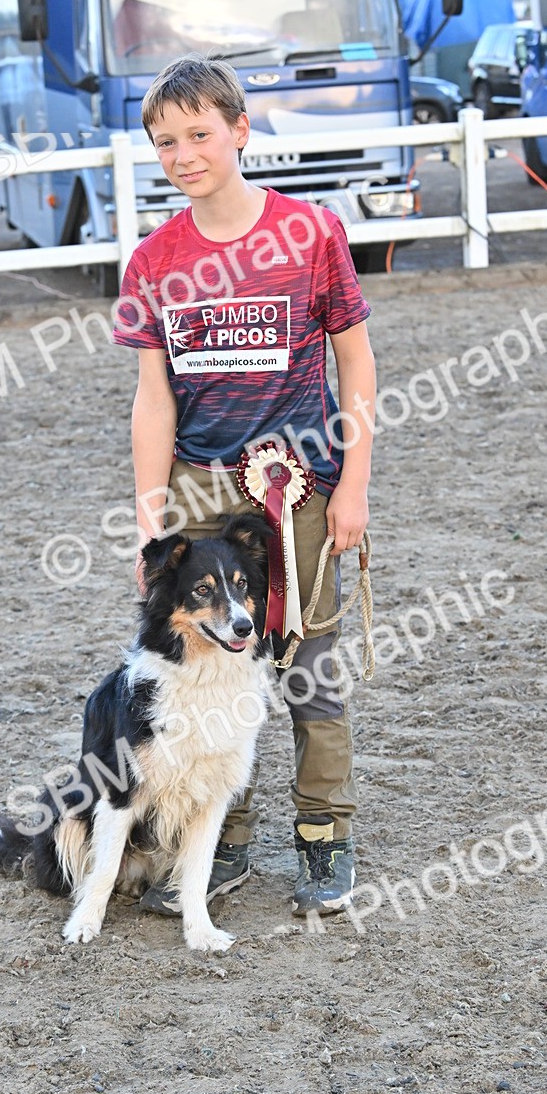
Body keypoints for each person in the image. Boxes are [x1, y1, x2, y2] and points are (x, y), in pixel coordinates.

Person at [113, 54, 376, 917]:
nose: (183, 154)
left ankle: (323, 841)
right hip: (199, 488)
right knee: (202, 676)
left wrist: (354, 486)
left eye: (198, 134)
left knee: (306, 670)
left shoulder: (310, 233)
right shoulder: (153, 261)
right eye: (165, 142)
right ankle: (219, 847)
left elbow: (356, 359)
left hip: (298, 492)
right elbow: (154, 395)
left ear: (239, 130)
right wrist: (150, 518)